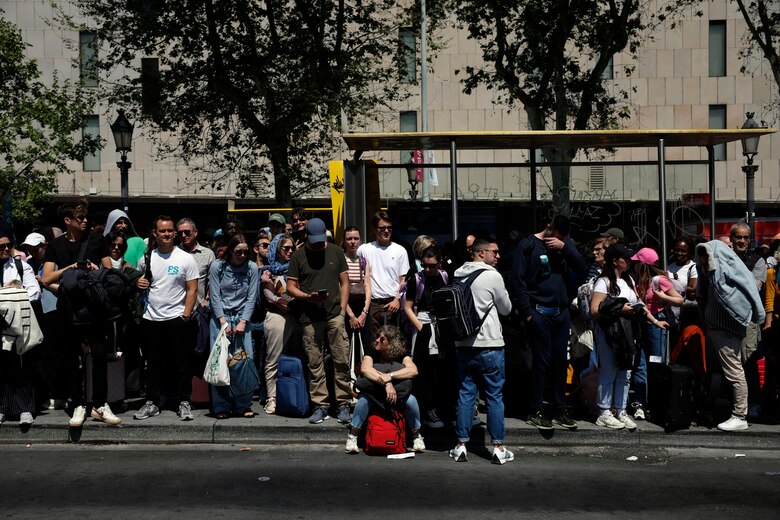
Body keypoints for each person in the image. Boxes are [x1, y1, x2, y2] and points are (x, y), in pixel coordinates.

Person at [508, 215, 587, 430]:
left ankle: (559, 408)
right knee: (541, 362)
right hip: (538, 311)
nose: (556, 240)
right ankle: (536, 409)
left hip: (561, 312)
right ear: (548, 227)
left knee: (561, 362)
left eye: (561, 238)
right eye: (555, 236)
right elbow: (517, 280)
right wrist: (527, 313)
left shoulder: (565, 245)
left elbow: (583, 268)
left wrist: (565, 248)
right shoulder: (528, 245)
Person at [42, 200, 116, 427]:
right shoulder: (56, 245)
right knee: (71, 359)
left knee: (100, 354)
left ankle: (100, 404)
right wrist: (71, 268)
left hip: (94, 306)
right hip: (68, 307)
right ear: (67, 221)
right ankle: (78, 404)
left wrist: (96, 270)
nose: (85, 221)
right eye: (80, 218)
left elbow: (110, 272)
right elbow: (46, 278)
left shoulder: (96, 240)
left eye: (86, 217)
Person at [448, 237, 513, 464]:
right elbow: (506, 309)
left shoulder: (457, 273)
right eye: (494, 252)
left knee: (466, 395)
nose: (498, 256)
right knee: (494, 396)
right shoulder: (492, 275)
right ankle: (498, 447)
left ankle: (461, 445)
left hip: (463, 343)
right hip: (490, 344)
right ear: (480, 253)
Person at [590, 244, 667, 430]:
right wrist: (619, 309)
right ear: (615, 261)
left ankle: (620, 409)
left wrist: (655, 322)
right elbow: (595, 309)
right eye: (625, 258)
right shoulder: (604, 281)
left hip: (627, 332)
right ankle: (604, 412)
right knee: (609, 371)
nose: (630, 261)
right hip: (611, 332)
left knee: (625, 373)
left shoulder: (628, 280)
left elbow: (640, 303)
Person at [286, 218, 351, 425]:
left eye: (321, 240)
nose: (318, 244)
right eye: (315, 240)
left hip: (334, 315)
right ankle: (320, 405)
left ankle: (343, 403)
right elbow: (290, 287)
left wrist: (342, 310)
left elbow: (345, 282)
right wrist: (307, 297)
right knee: (315, 363)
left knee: (341, 359)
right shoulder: (298, 256)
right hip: (309, 318)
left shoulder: (335, 251)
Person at [134, 215, 199, 421]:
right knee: (152, 363)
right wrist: (139, 283)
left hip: (176, 318)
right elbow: (140, 281)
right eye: (162, 231)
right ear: (155, 233)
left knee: (181, 363)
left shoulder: (185, 258)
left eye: (170, 230)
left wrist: (185, 316)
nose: (167, 234)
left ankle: (183, 401)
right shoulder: (146, 258)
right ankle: (152, 402)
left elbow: (192, 289)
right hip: (151, 318)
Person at [696, 240, 765, 431]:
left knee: (734, 372)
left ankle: (739, 415)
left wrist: (757, 315)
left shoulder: (727, 274)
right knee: (725, 372)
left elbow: (750, 289)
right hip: (715, 329)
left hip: (726, 330)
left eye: (705, 254)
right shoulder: (710, 273)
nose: (701, 258)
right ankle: (727, 410)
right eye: (700, 254)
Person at [345, 325, 425, 454]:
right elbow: (366, 369)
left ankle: (417, 435)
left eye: (382, 339)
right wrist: (387, 383)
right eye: (377, 337)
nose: (377, 340)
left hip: (397, 394)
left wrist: (390, 376)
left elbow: (413, 370)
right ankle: (353, 435)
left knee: (411, 400)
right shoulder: (371, 352)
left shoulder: (402, 354)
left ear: (391, 342)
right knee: (363, 400)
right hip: (374, 393)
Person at [208, 235, 259, 418]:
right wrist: (223, 322)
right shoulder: (218, 267)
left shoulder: (252, 268)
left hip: (242, 318)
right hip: (220, 318)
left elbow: (252, 297)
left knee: (244, 361)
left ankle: (243, 404)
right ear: (230, 250)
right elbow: (215, 296)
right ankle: (221, 406)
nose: (243, 255)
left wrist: (243, 321)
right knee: (220, 362)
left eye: (246, 252)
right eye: (239, 252)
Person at [630, 247, 683, 420]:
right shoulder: (635, 279)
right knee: (639, 363)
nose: (634, 265)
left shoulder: (659, 280)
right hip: (641, 322)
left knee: (656, 363)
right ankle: (640, 403)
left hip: (657, 324)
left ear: (644, 264)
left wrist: (664, 297)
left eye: (637, 262)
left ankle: (656, 403)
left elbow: (680, 300)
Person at [403, 245, 448, 429]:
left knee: (439, 366)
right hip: (422, 323)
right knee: (422, 366)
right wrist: (420, 326)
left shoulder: (444, 276)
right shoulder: (416, 279)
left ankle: (438, 406)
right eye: (425, 265)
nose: (428, 269)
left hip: (440, 325)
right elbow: (407, 306)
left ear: (440, 263)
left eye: (432, 266)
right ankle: (425, 407)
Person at [0, 230, 41, 425]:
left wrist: (14, 292)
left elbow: (34, 292)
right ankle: (3, 408)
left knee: (22, 364)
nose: (6, 249)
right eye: (2, 246)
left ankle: (25, 408)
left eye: (9, 245)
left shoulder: (21, 267)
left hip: (17, 323)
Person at [260, 234, 301, 414]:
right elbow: (266, 293)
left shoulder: (298, 267)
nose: (290, 251)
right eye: (286, 248)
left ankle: (296, 395)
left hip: (297, 317)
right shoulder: (268, 271)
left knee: (299, 358)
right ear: (277, 249)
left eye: (292, 248)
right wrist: (277, 299)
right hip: (277, 317)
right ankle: (272, 398)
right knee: (273, 360)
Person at [730, 222, 767, 419]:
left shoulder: (757, 261)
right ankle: (734, 404)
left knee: (748, 362)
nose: (742, 241)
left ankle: (753, 403)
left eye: (745, 238)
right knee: (731, 364)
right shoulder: (724, 259)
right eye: (738, 237)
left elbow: (755, 288)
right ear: (731, 239)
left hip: (749, 321)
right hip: (726, 320)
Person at [357, 211, 410, 347]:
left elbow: (403, 280)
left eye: (389, 228)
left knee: (393, 344)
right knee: (374, 344)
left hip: (392, 304)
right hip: (373, 304)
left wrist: (397, 300)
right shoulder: (365, 249)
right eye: (382, 228)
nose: (386, 231)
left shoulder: (400, 251)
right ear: (374, 230)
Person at [342, 226, 371, 358]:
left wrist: (364, 313)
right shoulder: (340, 261)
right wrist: (351, 316)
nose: (353, 242)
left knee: (364, 347)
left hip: (362, 308)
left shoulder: (364, 262)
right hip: (346, 309)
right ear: (344, 241)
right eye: (349, 238)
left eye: (356, 238)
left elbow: (368, 287)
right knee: (346, 347)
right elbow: (339, 290)